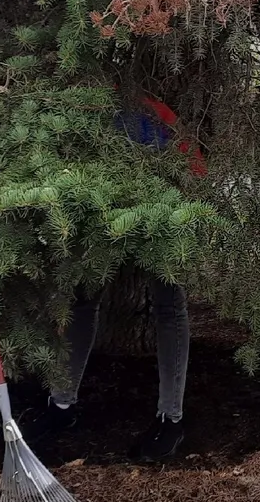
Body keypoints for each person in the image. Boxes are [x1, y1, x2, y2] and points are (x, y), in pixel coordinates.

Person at [49, 95, 199, 463]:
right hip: (103, 213)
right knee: (83, 299)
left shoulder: (154, 107)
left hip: (166, 210)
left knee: (169, 307)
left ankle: (172, 420)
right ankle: (61, 406)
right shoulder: (88, 108)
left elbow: (193, 165)